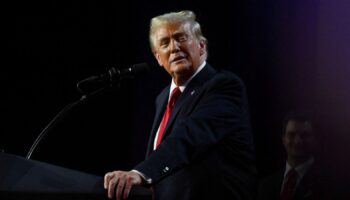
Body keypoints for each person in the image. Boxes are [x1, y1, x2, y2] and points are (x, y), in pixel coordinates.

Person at [104, 10, 256, 200]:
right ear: (158, 57)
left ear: (202, 46)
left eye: (180, 38)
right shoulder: (162, 99)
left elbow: (188, 137)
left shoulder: (223, 86)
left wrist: (142, 173)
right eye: (164, 43)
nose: (174, 48)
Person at [256, 110, 335, 200]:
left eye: (304, 135)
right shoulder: (266, 185)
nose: (297, 141)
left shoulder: (329, 184)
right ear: (283, 139)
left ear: (315, 140)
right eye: (291, 135)